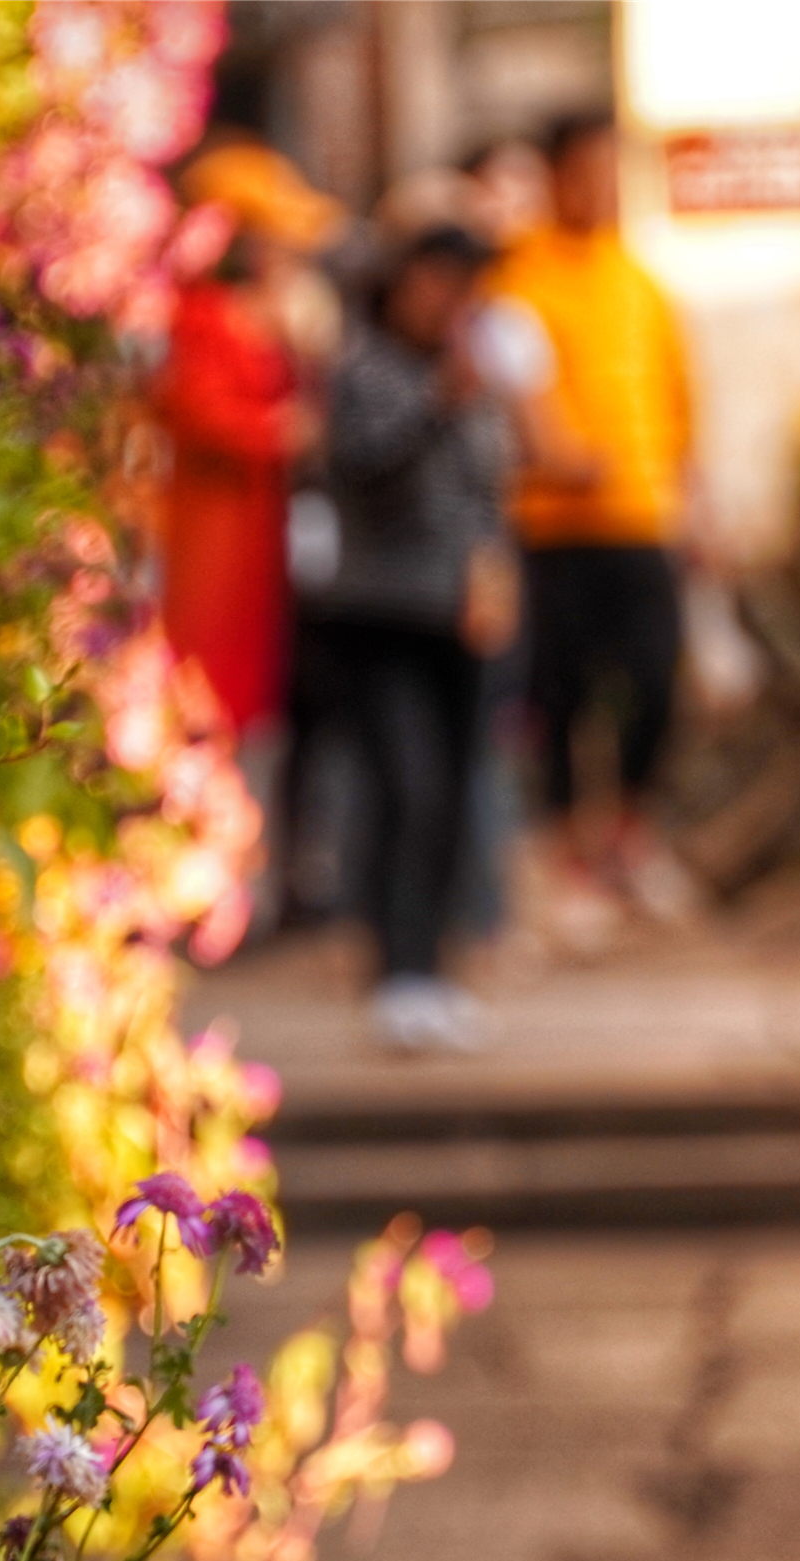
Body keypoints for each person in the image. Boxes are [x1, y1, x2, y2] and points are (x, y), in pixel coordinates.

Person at [487, 112, 701, 939]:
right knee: (561, 691)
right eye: (585, 171)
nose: (600, 189)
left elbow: (680, 403)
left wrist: (695, 503)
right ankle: (565, 854)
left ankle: (627, 832)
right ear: (554, 176)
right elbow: (516, 393)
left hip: (642, 517)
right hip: (552, 525)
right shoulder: (519, 281)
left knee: (656, 678)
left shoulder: (641, 283)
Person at [306, 226, 510, 1052]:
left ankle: (431, 963)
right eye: (434, 283)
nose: (446, 302)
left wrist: (495, 574)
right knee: (403, 785)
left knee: (454, 792)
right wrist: (437, 405)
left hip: (456, 610)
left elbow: (487, 486)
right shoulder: (365, 371)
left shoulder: (466, 379)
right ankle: (395, 967)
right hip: (379, 609)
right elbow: (359, 466)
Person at [156, 141, 341, 741]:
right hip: (204, 529)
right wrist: (277, 431)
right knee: (199, 683)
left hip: (256, 529)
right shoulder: (193, 313)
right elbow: (196, 409)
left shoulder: (261, 314)